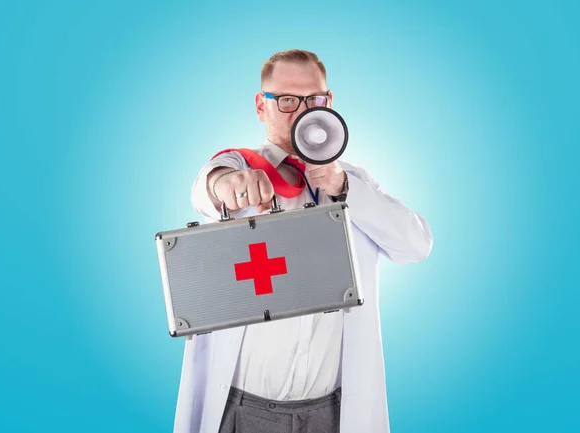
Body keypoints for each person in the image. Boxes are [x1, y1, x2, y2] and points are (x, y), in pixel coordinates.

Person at [174, 49, 433, 433]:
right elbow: (208, 185)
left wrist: (343, 186)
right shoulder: (243, 167)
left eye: (313, 100)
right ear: (262, 106)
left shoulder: (352, 182)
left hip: (331, 413)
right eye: (287, 100)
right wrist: (225, 184)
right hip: (245, 412)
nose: (301, 112)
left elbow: (416, 245)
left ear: (329, 104)